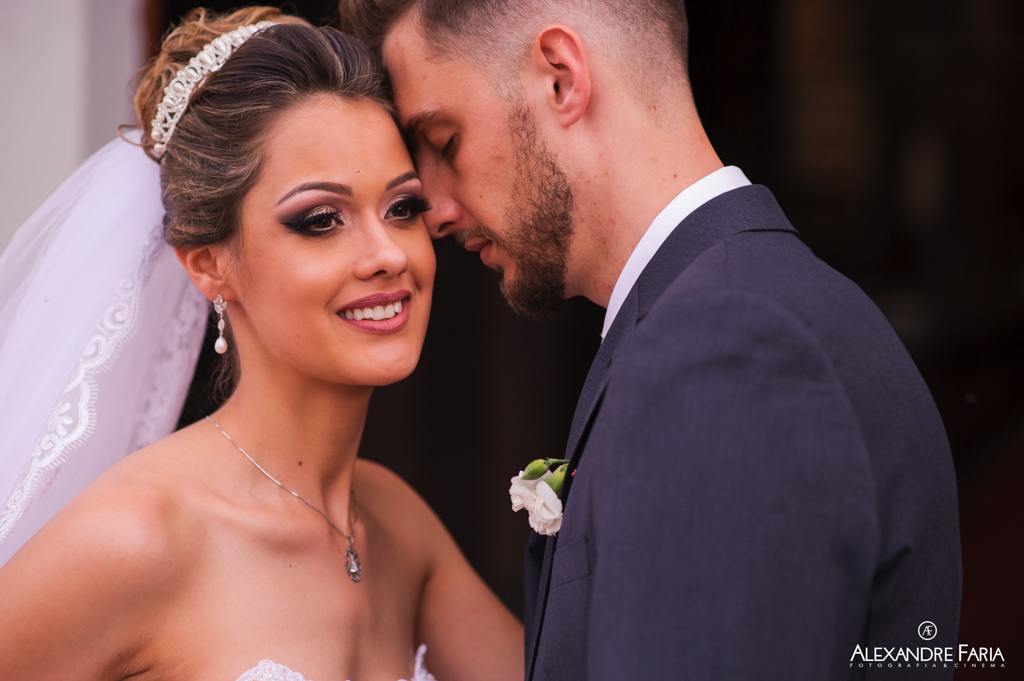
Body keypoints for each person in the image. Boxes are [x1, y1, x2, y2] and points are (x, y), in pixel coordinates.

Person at [337, 1, 963, 679]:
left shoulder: (723, 350)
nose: (434, 210)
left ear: (560, 78)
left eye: (445, 140)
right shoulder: (767, 310)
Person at [0, 7, 523, 680]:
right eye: (321, 219)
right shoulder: (136, 538)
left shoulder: (397, 524)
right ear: (209, 265)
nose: (388, 254)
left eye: (402, 208)